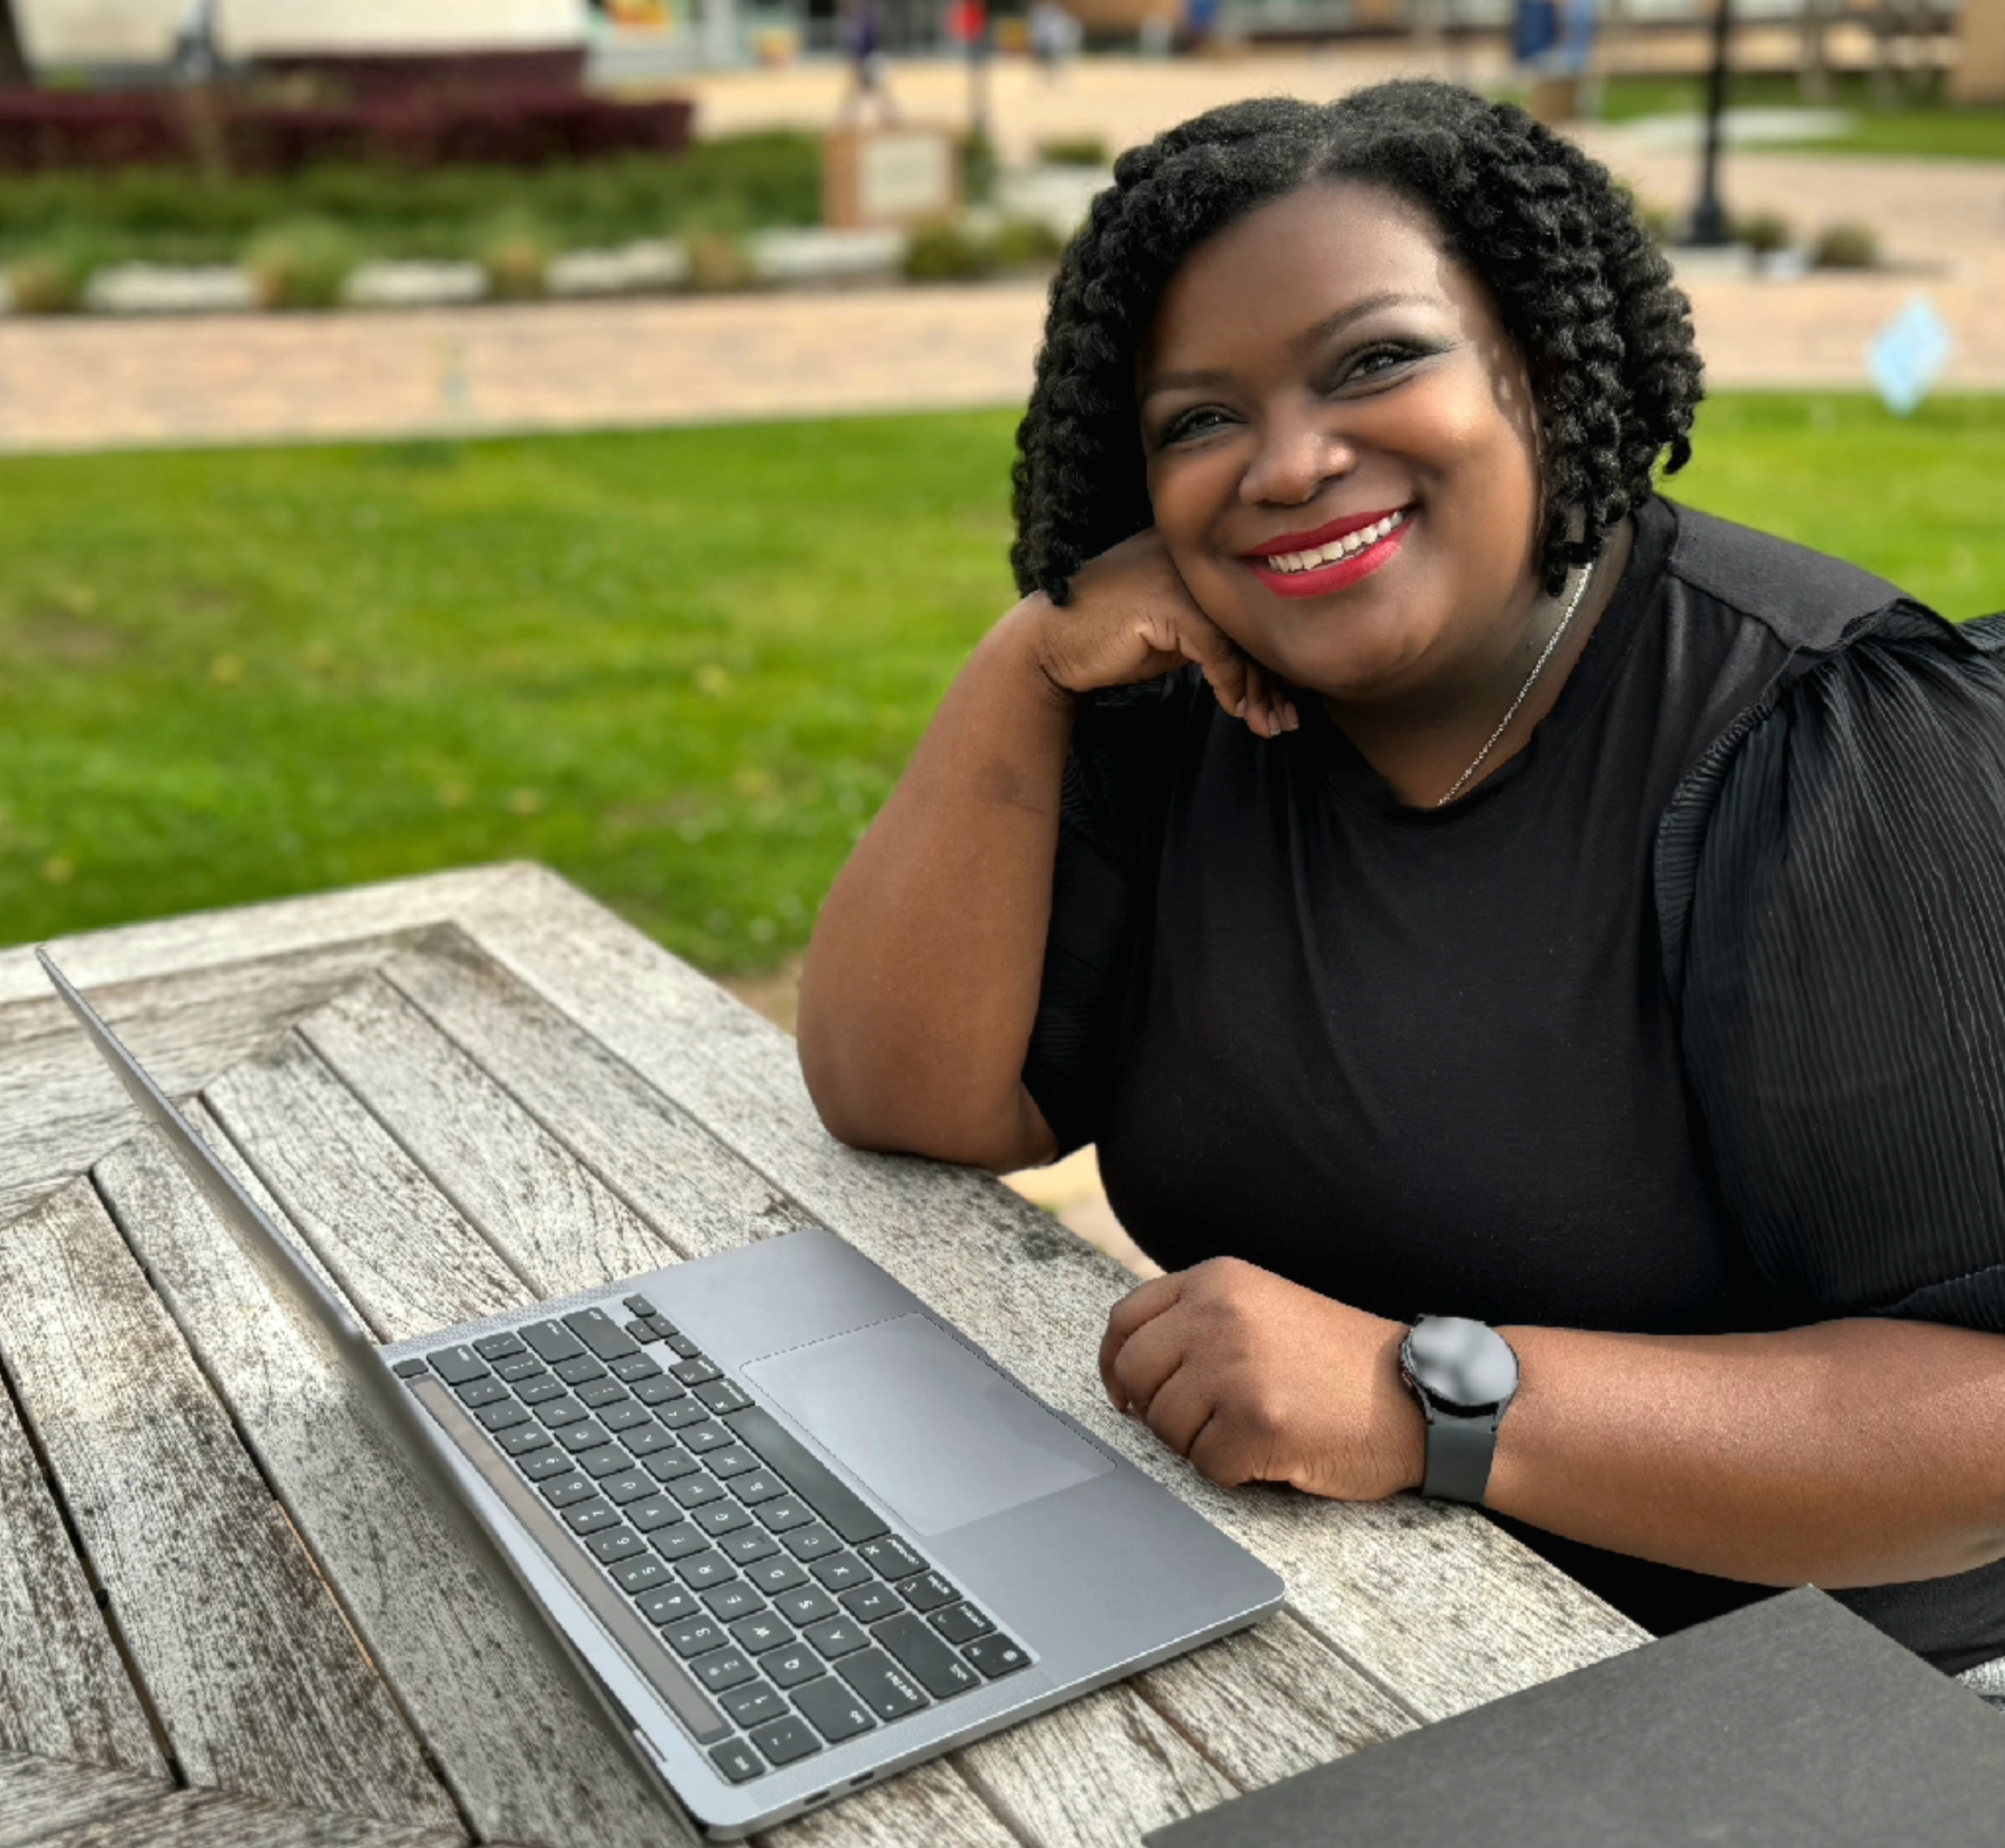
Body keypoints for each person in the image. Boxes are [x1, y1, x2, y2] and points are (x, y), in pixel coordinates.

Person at [797, 82, 2005, 1680]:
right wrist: (1026, 662)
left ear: (1538, 364)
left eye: (1376, 360)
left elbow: (1982, 1430)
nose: (1287, 464)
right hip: (1311, 1625)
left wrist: (1420, 1401)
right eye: (1200, 421)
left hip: (1794, 1711)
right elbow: (913, 1096)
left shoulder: (1827, 747)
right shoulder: (1187, 709)